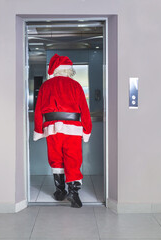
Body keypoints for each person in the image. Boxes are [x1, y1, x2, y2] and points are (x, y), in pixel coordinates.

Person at [33, 54, 92, 208]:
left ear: (55, 71)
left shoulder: (46, 86)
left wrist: (38, 129)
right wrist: (87, 130)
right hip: (72, 129)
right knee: (73, 158)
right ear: (68, 71)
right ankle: (74, 193)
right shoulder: (76, 85)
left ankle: (60, 191)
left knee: (55, 158)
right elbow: (84, 111)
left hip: (52, 128)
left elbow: (38, 110)